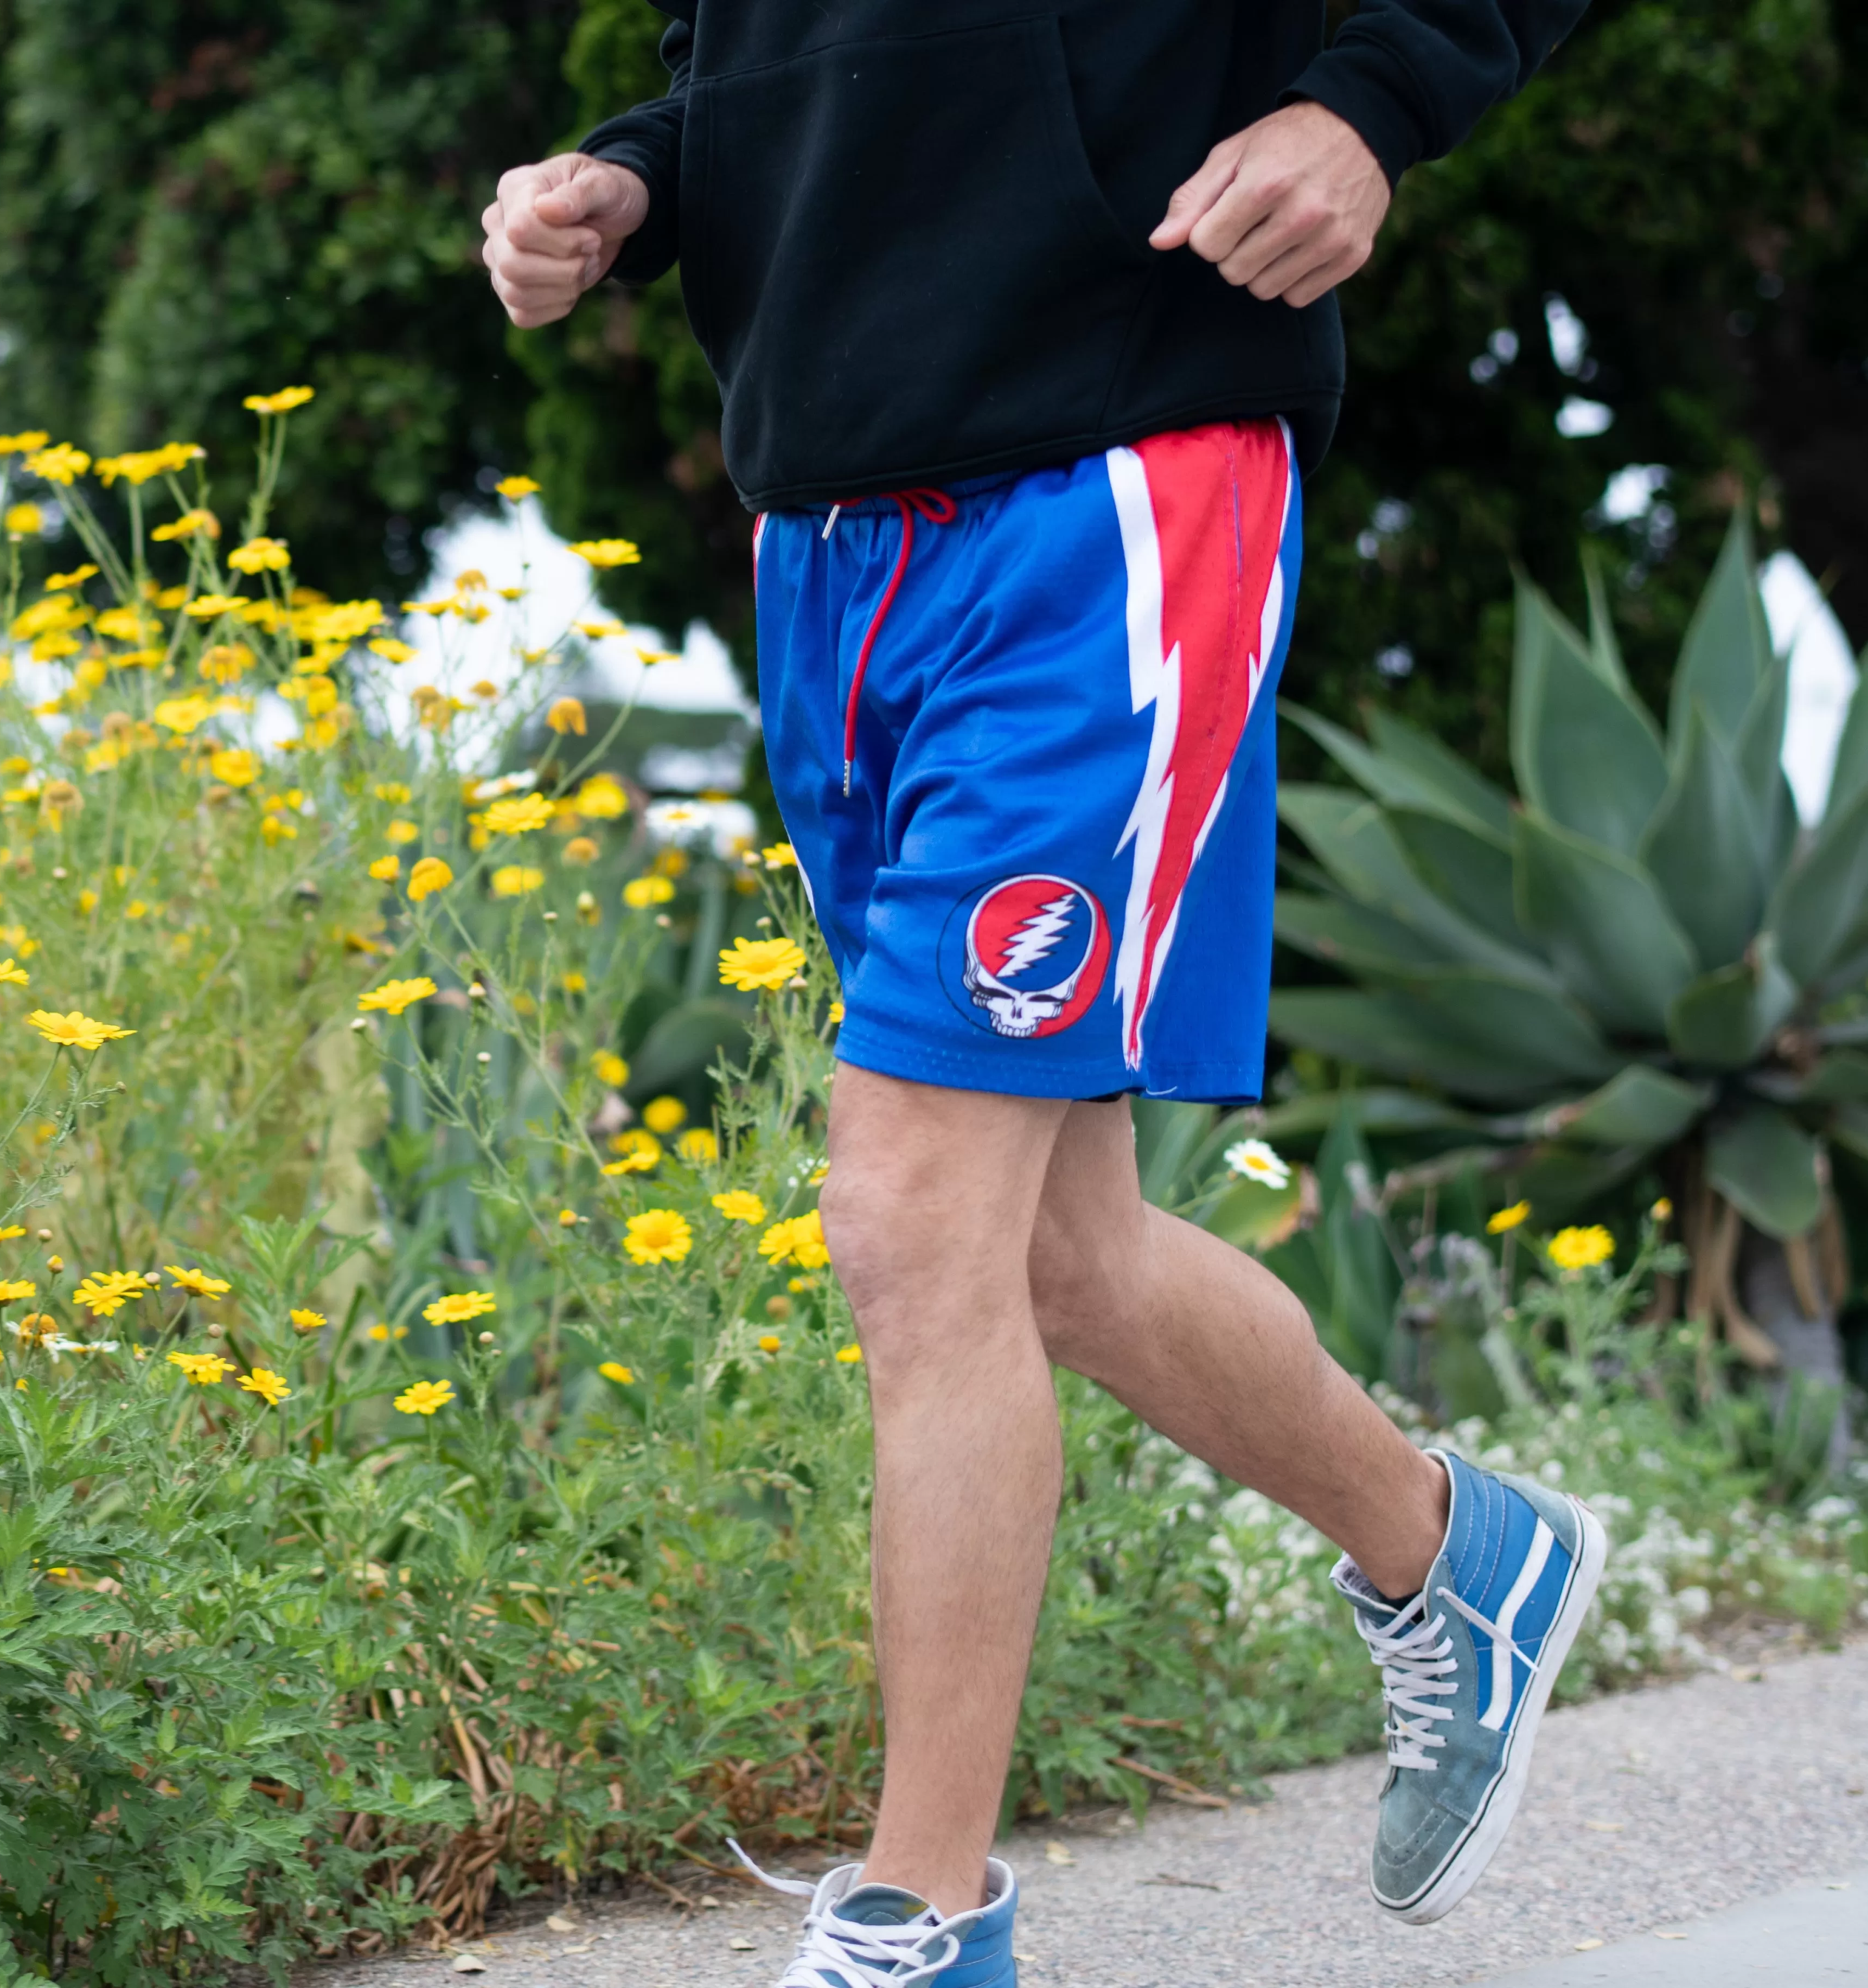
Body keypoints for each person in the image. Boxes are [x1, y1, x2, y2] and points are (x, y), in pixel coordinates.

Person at [483, 3, 1598, 1980]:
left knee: (912, 1232)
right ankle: (1457, 1555)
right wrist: (631, 178)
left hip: (1105, 477)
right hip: (835, 527)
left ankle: (922, 1922)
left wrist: (1372, 107)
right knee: (1056, 1259)